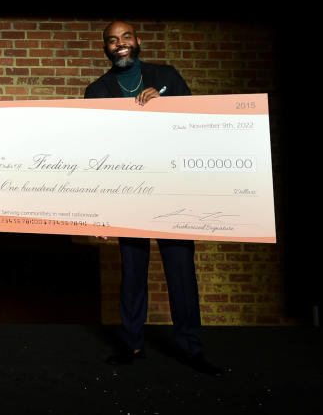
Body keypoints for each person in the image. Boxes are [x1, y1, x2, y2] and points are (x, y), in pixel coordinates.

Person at [85, 21, 222, 376]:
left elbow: (197, 124)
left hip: (170, 190)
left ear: (137, 41)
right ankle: (132, 344)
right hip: (127, 194)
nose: (120, 44)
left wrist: (165, 104)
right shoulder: (97, 91)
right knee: (132, 274)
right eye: (112, 40)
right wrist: (98, 209)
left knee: (181, 273)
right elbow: (91, 150)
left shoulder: (167, 76)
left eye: (126, 37)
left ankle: (192, 349)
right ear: (106, 48)